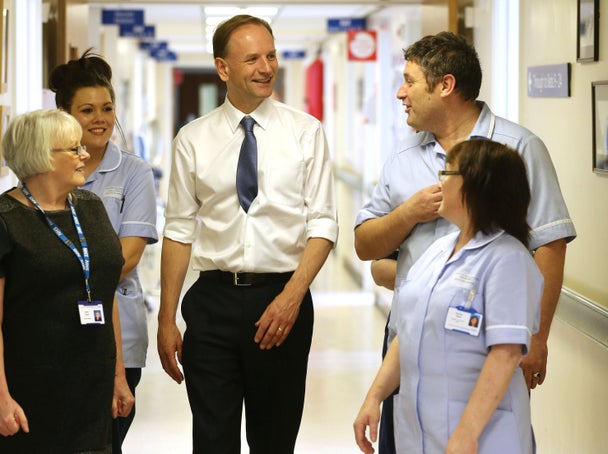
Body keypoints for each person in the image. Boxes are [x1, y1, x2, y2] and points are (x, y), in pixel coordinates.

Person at [353, 31, 576, 454]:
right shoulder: (407, 168)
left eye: (409, 81)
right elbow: (374, 258)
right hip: (411, 352)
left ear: (445, 85)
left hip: (485, 346)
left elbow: (550, 244)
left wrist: (539, 338)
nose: (401, 93)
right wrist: (407, 215)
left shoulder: (518, 150)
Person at [157, 14, 338, 453]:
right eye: (252, 58)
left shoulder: (306, 133)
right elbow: (179, 229)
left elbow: (323, 224)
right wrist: (166, 317)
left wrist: (292, 297)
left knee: (273, 439)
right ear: (223, 68)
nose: (266, 67)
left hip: (282, 300)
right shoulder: (193, 139)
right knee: (213, 438)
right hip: (212, 304)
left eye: (271, 55)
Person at [354, 139, 544, 453]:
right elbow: (410, 331)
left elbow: (505, 354)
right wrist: (374, 397)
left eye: (448, 173)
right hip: (421, 432)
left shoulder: (507, 259)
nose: (439, 182)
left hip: (481, 437)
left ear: (475, 187)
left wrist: (467, 434)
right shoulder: (439, 250)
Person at [0, 109, 132, 453]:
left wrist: (118, 377)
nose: (85, 155)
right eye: (74, 149)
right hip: (27, 393)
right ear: (41, 157)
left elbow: (104, 293)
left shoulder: (91, 207)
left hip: (91, 391)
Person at [49, 49, 159, 453]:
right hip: (54, 331)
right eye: (87, 109)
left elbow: (125, 258)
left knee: (106, 441)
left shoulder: (134, 173)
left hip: (119, 338)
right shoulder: (46, 171)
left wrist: (56, 274)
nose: (100, 119)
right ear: (64, 113)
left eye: (107, 108)